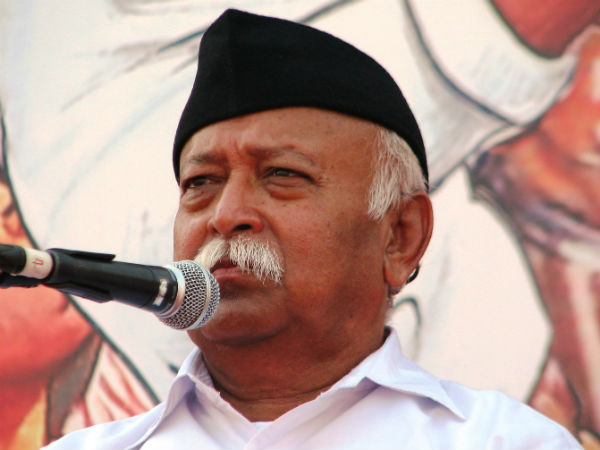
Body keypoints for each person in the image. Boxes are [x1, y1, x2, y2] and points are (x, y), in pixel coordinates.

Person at [43, 8, 582, 450]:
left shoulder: (504, 441)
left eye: (282, 175)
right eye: (201, 183)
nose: (226, 215)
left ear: (400, 237)